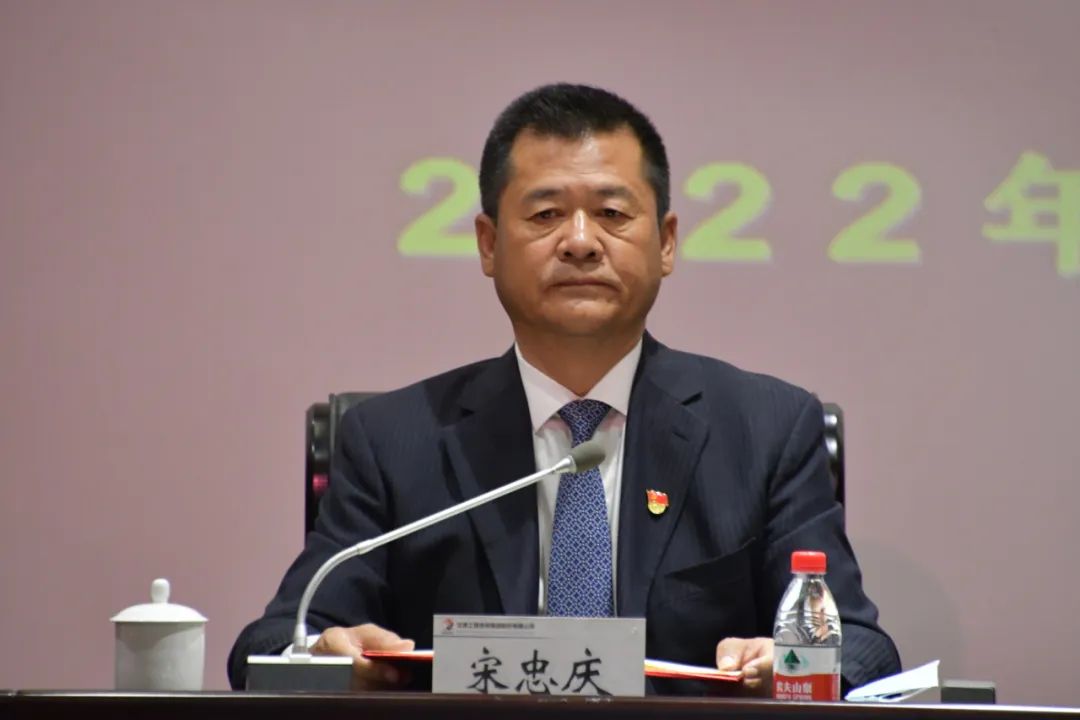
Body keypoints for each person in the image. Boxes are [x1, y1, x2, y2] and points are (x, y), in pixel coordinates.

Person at [227, 83, 901, 695]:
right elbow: (273, 641)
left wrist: (795, 663)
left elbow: (865, 650)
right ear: (488, 244)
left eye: (612, 213)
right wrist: (321, 652)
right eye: (546, 214)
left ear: (666, 242)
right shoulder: (393, 441)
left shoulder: (765, 429)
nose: (580, 242)